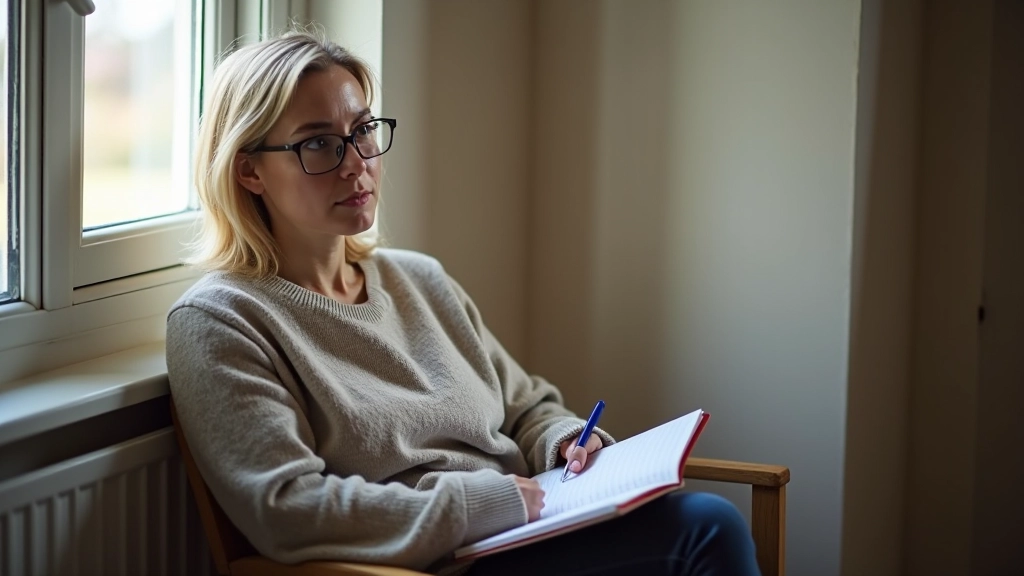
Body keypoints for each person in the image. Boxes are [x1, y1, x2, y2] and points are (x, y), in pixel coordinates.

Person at [166, 28, 760, 576]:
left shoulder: (419, 279)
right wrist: (487, 503)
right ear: (249, 172)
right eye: (319, 144)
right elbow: (288, 509)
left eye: (364, 131)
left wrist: (564, 440)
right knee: (705, 530)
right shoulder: (222, 321)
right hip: (439, 563)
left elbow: (528, 407)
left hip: (530, 524)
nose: (358, 165)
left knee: (701, 520)